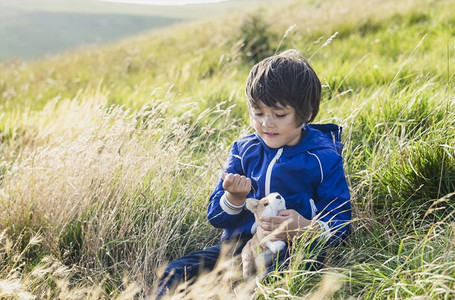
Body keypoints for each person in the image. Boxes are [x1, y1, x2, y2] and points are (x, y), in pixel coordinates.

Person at [150, 49, 351, 299]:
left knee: (271, 277)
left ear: (306, 114)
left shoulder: (323, 156)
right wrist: (234, 199)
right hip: (239, 247)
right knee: (175, 271)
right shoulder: (243, 151)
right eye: (258, 113)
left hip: (293, 249)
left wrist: (307, 228)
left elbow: (341, 220)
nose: (266, 123)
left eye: (279, 115)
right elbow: (216, 217)